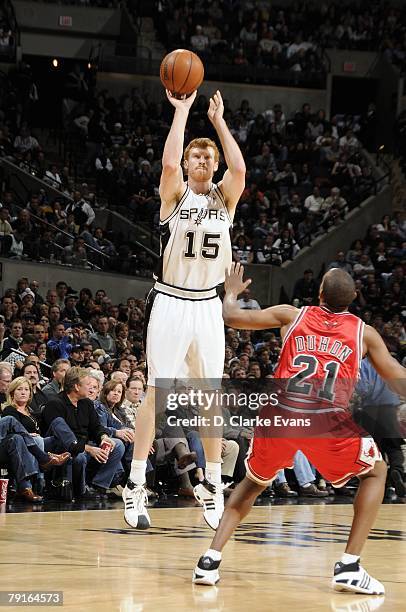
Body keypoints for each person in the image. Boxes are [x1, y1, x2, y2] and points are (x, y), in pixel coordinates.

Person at [192, 263, 406, 595]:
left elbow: (232, 317)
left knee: (250, 486)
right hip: (325, 419)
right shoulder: (365, 333)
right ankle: (349, 566)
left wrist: (231, 292)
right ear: (354, 299)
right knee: (376, 472)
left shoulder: (291, 315)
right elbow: (396, 377)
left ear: (319, 293)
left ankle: (209, 560)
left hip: (280, 413)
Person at [123, 89, 246, 530]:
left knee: (209, 398)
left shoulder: (224, 199)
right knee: (156, 394)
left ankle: (213, 487)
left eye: (206, 159)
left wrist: (219, 124)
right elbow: (169, 164)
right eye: (196, 158)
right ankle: (135, 486)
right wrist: (182, 112)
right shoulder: (174, 196)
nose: (200, 163)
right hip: (171, 300)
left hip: (208, 306)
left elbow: (240, 168)